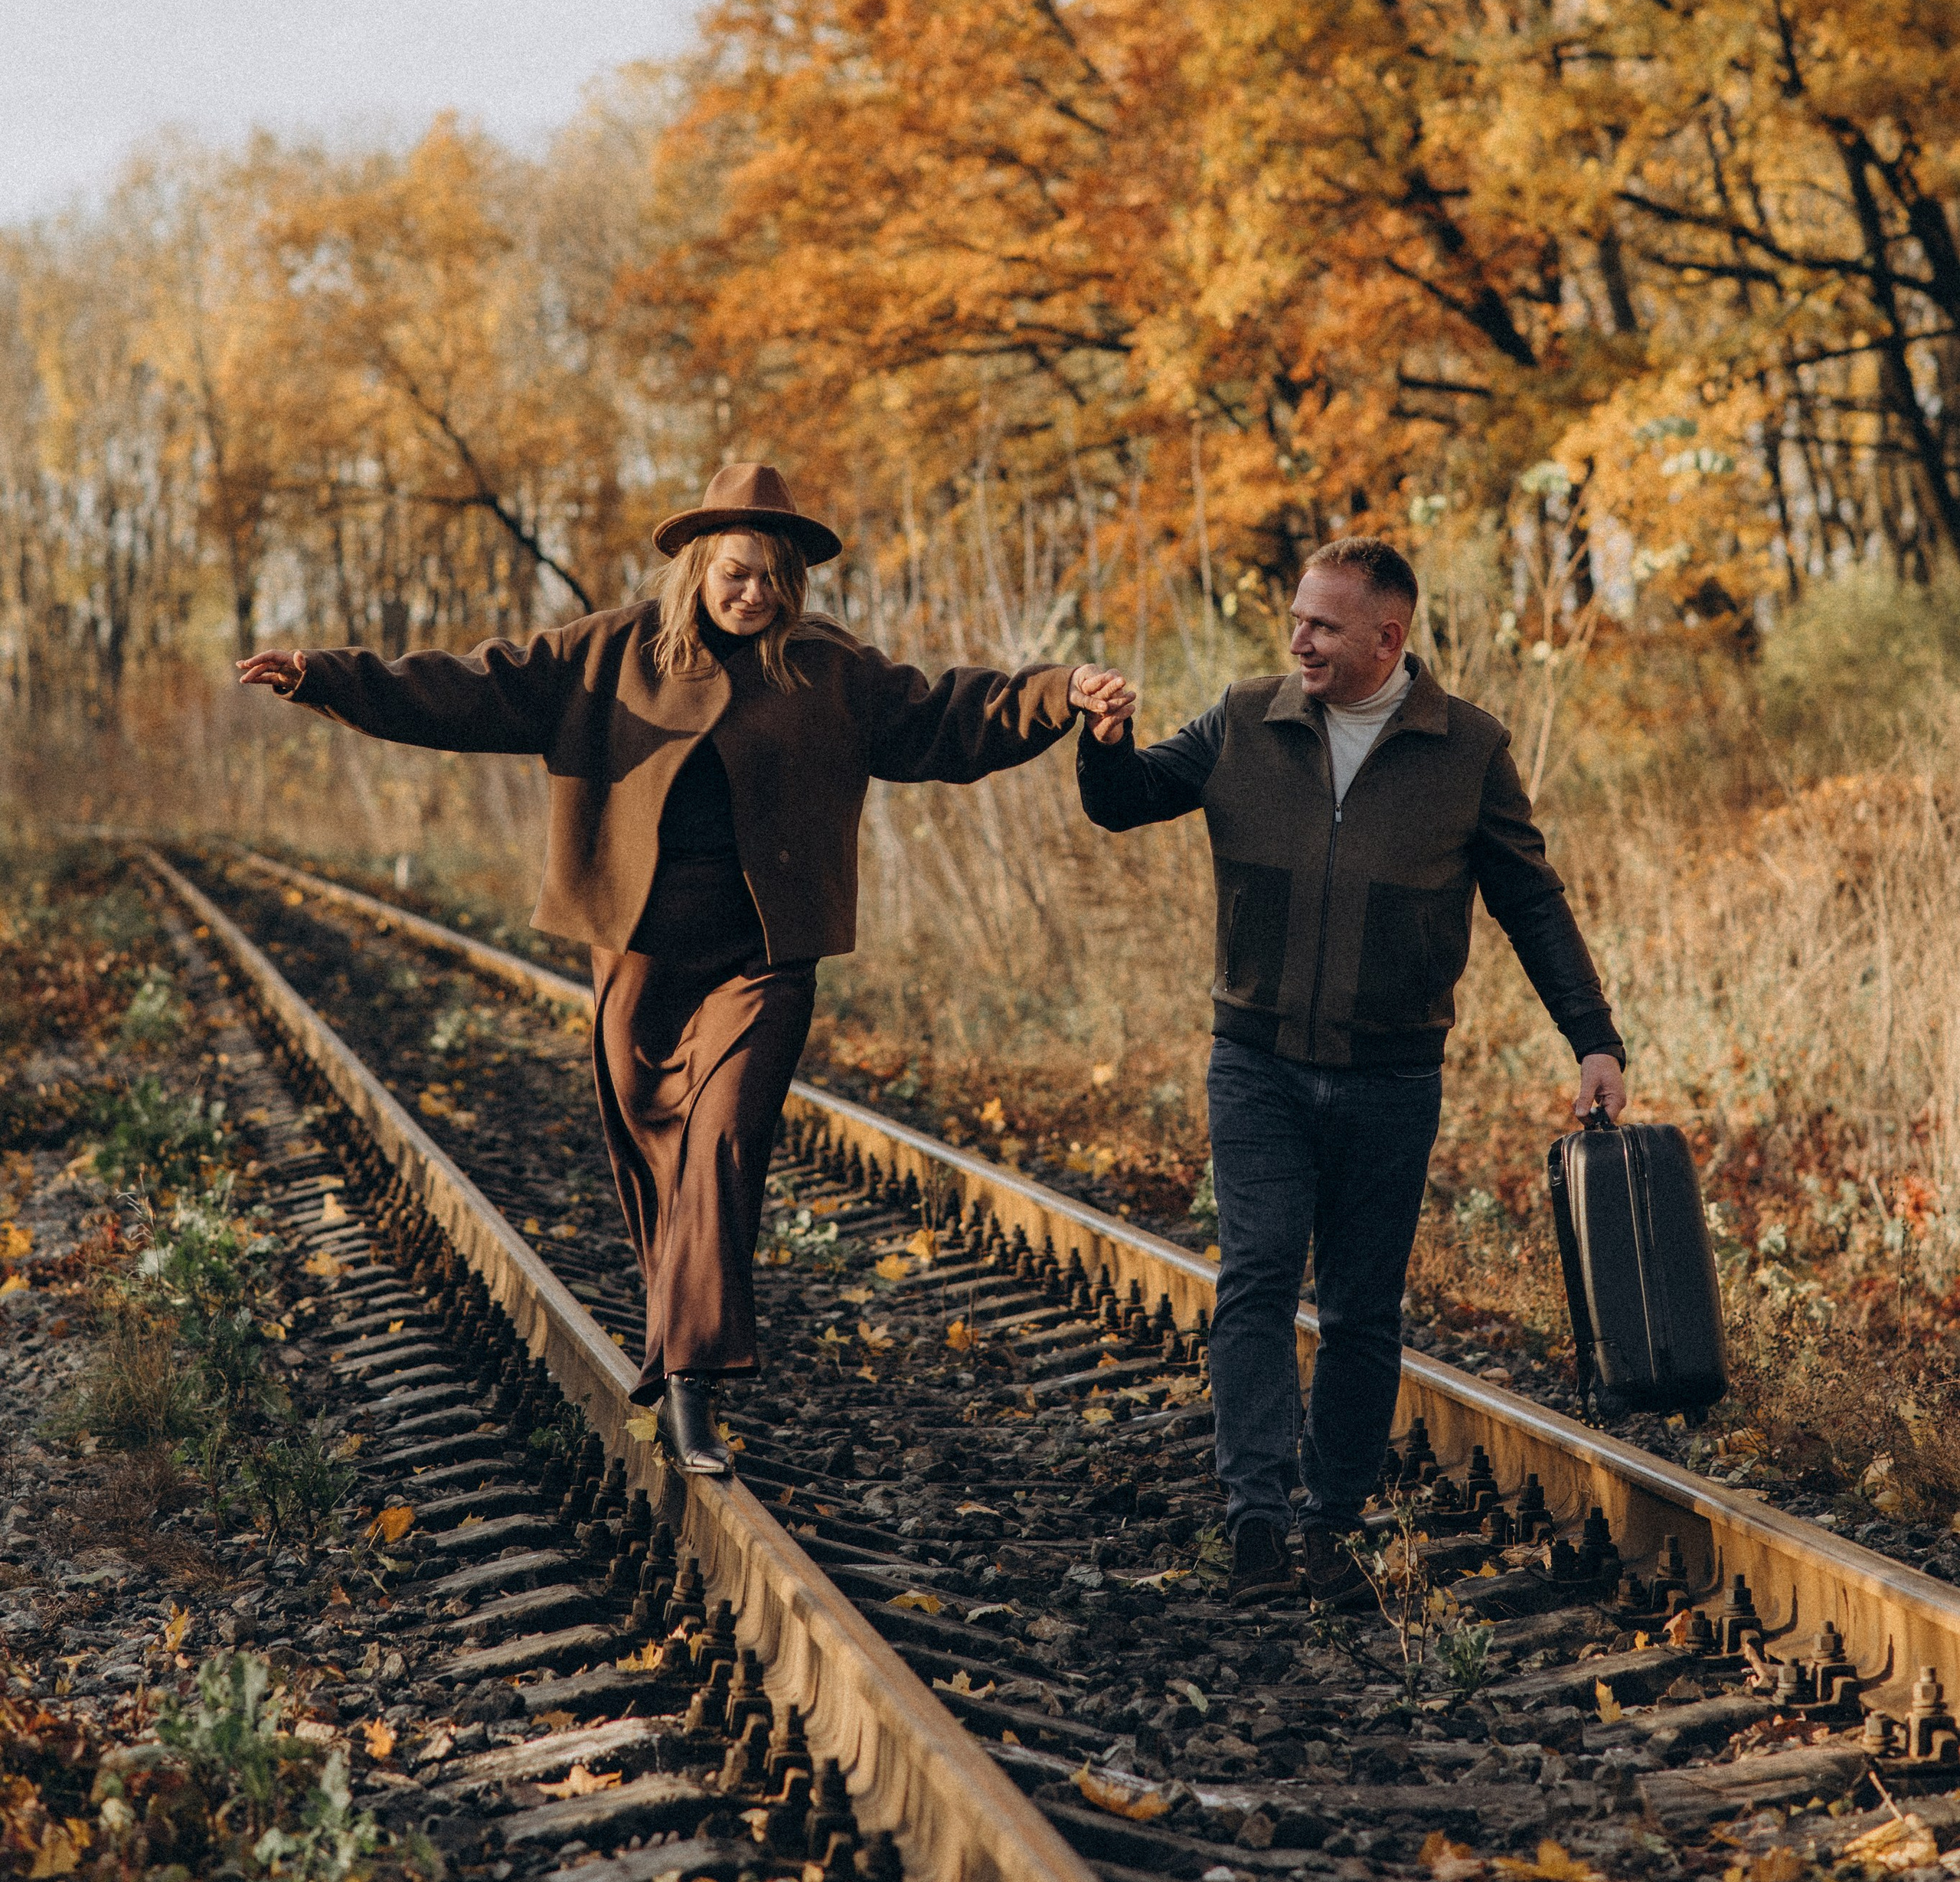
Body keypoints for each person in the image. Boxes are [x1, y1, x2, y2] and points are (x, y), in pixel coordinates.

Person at [237, 460, 1132, 1478]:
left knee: (721, 1143)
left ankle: (694, 1394)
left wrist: (1060, 693)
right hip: (644, 952)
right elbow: (469, 690)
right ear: (701, 566)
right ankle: (676, 1338)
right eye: (737, 574)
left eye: (773, 581)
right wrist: (325, 677)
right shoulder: (612, 652)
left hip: (761, 956)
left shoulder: (829, 670)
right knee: (651, 1146)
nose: (753, 594)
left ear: (795, 584)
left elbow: (945, 719)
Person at [1076, 534, 1625, 1607]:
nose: (1299, 641)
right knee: (1258, 1277)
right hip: (1259, 1063)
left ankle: (1330, 1525)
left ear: (1390, 635)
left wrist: (1593, 1037)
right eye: (1295, 619)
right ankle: (1254, 1522)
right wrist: (1105, 741)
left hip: (1390, 1075)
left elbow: (1531, 901)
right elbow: (1126, 798)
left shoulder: (1466, 748)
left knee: (1366, 1308)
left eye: (1323, 626)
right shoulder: (1246, 718)